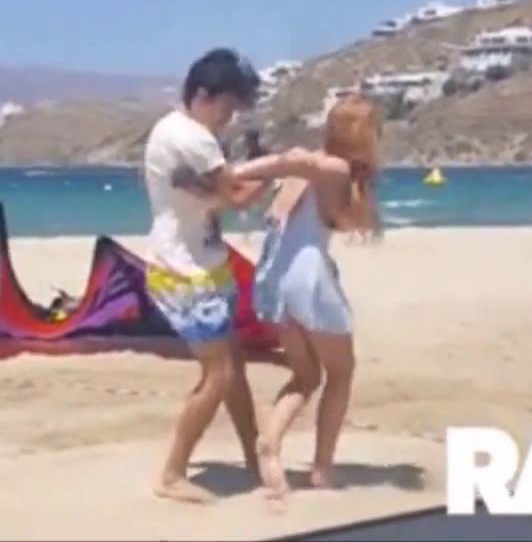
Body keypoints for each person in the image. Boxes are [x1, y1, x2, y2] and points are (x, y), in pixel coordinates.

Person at [142, 47, 296, 505]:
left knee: (232, 368)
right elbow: (239, 196)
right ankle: (172, 473)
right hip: (184, 272)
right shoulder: (195, 141)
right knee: (220, 373)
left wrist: (256, 171)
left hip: (199, 264)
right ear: (205, 95)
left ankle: (253, 455)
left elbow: (219, 193)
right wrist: (278, 168)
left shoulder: (172, 129)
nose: (232, 116)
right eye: (229, 105)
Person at [231, 93, 382, 500]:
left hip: (276, 282)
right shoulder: (332, 167)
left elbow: (295, 176)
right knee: (341, 372)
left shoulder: (317, 176)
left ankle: (270, 444)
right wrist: (233, 171)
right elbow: (296, 160)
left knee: (306, 376)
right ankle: (322, 469)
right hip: (308, 277)